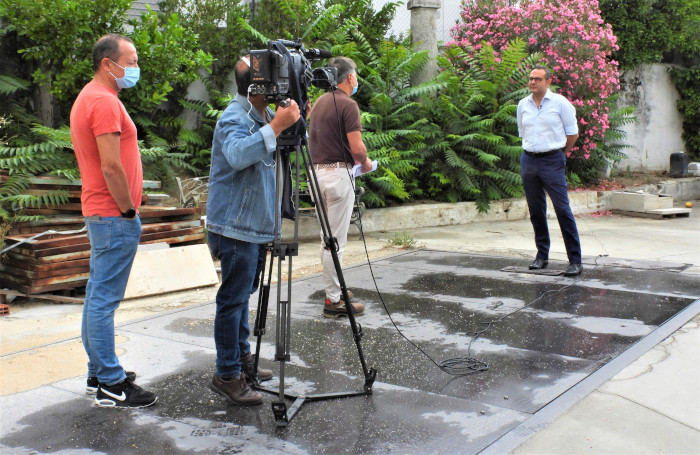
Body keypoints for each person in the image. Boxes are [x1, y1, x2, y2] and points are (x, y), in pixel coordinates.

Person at [205, 56, 300, 406]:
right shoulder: (234, 116)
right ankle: (226, 373)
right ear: (260, 87)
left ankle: (242, 361)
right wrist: (276, 128)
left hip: (253, 226)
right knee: (232, 301)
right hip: (233, 227)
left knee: (241, 298)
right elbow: (236, 154)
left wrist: (286, 121)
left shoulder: (260, 114)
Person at [70, 34, 157, 408]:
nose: (135, 68)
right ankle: (110, 381)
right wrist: (127, 210)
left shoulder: (91, 96)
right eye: (131, 60)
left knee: (96, 297)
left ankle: (98, 372)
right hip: (112, 213)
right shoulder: (103, 102)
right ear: (109, 63)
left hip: (101, 211)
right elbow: (110, 165)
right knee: (104, 299)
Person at [308, 56, 372, 318]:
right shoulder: (348, 105)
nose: (356, 79)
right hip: (338, 176)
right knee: (337, 242)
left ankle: (335, 290)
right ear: (349, 77)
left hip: (316, 175)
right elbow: (357, 148)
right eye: (355, 74)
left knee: (327, 239)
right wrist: (366, 162)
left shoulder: (321, 102)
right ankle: (333, 300)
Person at [516, 65, 583, 277]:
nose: (532, 82)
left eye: (537, 79)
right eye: (530, 79)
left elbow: (572, 133)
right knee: (536, 211)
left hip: (552, 160)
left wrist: (560, 153)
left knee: (563, 210)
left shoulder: (560, 103)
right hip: (529, 160)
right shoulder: (522, 105)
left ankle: (575, 261)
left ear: (548, 82)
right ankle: (541, 256)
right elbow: (522, 133)